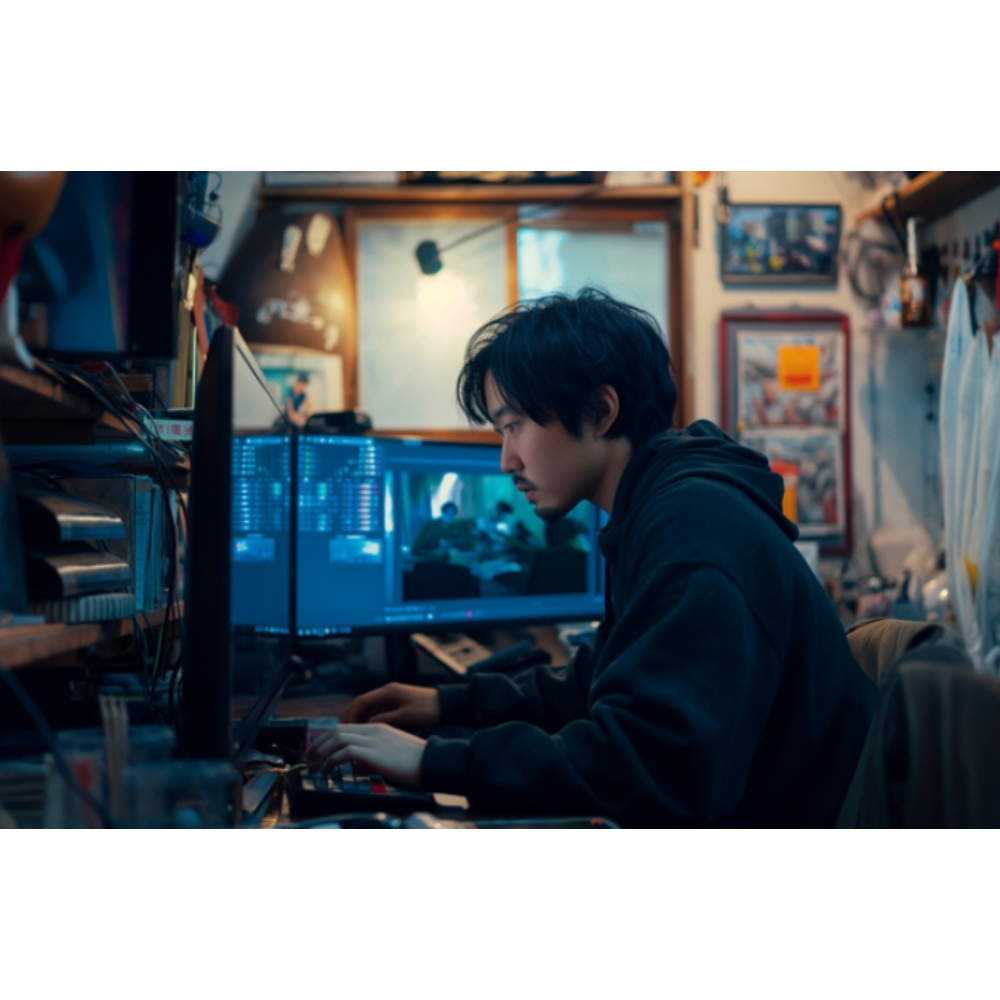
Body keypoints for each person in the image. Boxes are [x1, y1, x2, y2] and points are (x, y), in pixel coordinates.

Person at [307, 286, 875, 829]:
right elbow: (604, 677)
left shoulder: (693, 532)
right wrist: (446, 705)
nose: (506, 461)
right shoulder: (663, 505)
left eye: (514, 426)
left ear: (601, 411)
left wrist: (433, 760)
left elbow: (649, 770)